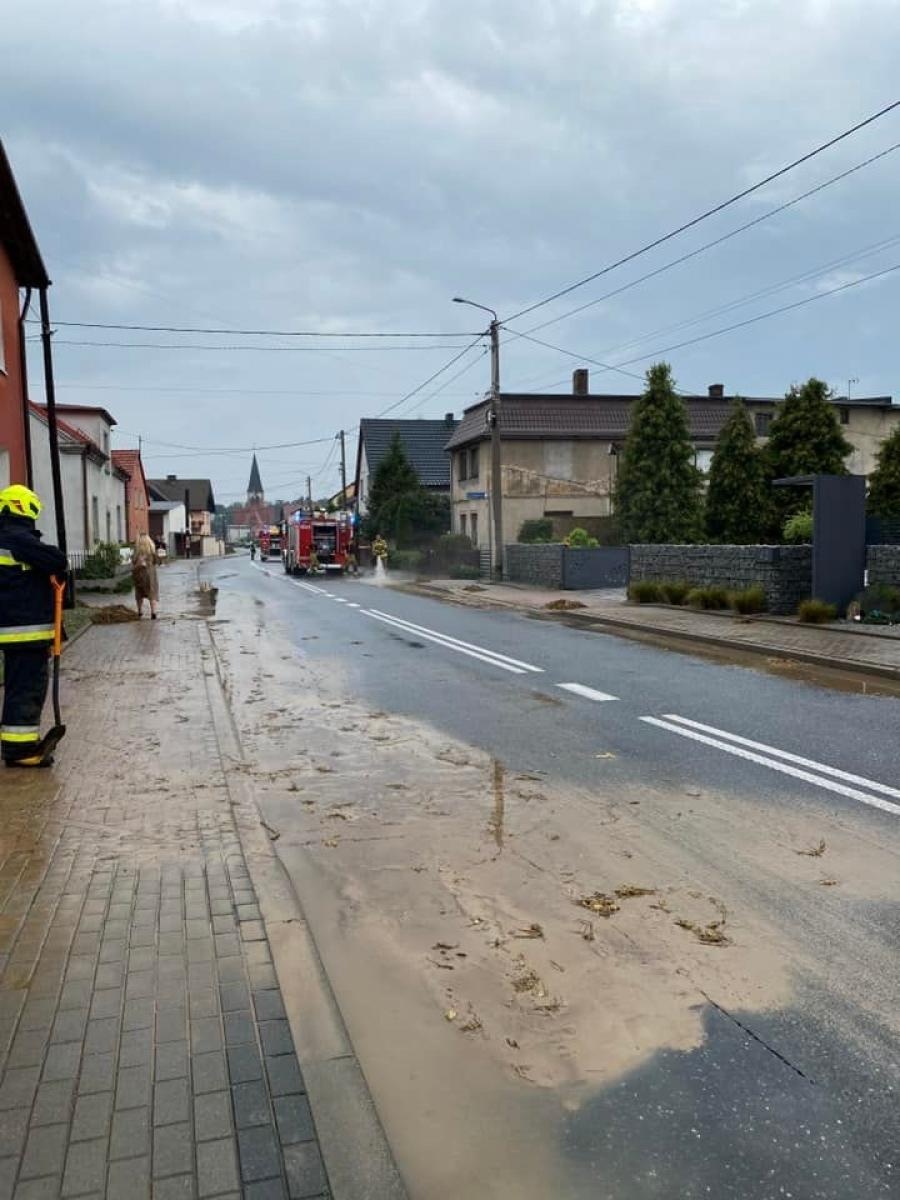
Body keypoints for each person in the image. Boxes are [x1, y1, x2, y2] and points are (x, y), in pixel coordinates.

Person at [0, 485, 68, 768]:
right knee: (26, 689)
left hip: (15, 630)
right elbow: (57, 559)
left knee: (19, 687)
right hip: (24, 632)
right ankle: (19, 750)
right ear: (23, 508)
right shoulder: (17, 538)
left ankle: (21, 745)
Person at [132, 533, 160, 619]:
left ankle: (140, 611)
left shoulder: (137, 553)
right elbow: (157, 562)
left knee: (139, 593)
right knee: (152, 593)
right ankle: (153, 612)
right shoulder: (152, 552)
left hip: (139, 575)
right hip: (150, 576)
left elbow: (133, 562)